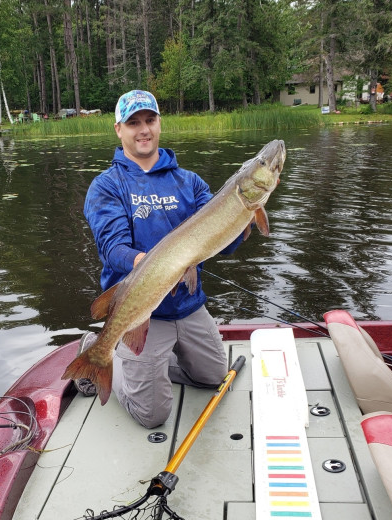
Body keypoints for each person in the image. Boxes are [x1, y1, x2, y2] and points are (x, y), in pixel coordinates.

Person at [79, 90, 244, 428]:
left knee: (215, 378)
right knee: (151, 415)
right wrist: (142, 263)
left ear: (159, 123)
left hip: (188, 303)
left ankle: (148, 364)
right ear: (118, 130)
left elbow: (224, 246)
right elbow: (112, 248)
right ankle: (96, 349)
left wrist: (244, 215)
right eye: (133, 122)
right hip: (140, 309)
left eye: (150, 120)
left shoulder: (190, 182)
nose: (143, 129)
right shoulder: (106, 186)